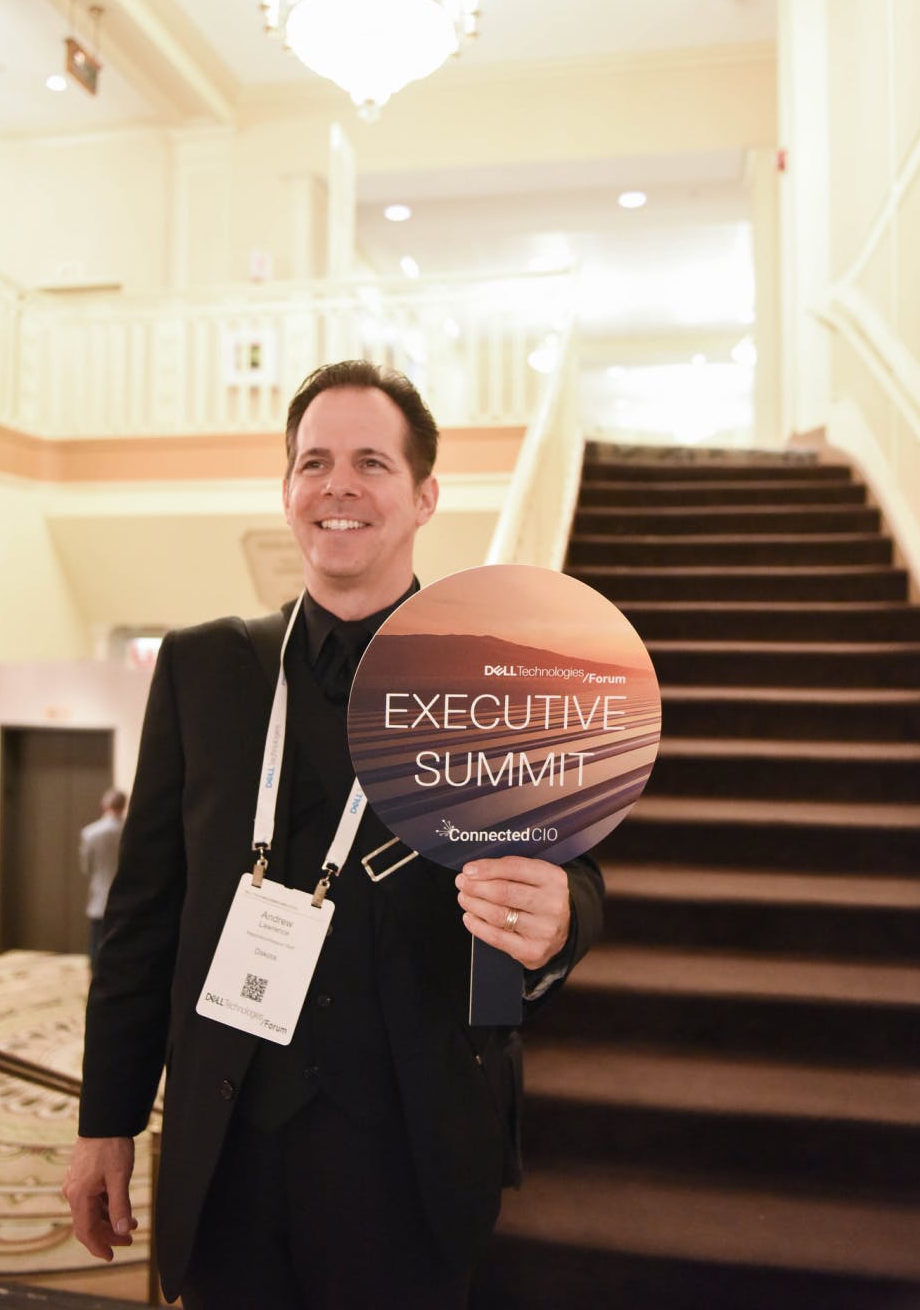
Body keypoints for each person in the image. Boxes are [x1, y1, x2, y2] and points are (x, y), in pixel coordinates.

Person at [62, 360, 604, 1309]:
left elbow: (578, 879)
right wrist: (106, 1119)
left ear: (425, 496)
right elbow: (144, 916)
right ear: (287, 492)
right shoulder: (202, 668)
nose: (337, 486)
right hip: (229, 1149)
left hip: (411, 1150)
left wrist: (561, 920)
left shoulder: (496, 681)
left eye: (371, 463)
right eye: (314, 463)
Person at [78, 788, 127, 969]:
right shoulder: (129, 831)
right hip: (125, 897)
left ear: (104, 805)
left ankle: (95, 977)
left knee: (96, 946)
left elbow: (86, 868)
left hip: (99, 897)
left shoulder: (90, 833)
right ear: (124, 805)